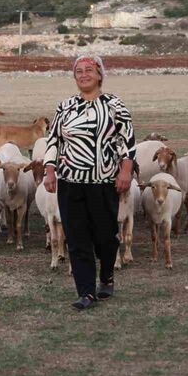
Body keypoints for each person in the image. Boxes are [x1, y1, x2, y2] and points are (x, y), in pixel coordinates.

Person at [43, 55, 135, 310]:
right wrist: (50, 171)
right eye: (78, 71)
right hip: (71, 181)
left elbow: (126, 141)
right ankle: (86, 291)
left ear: (99, 75)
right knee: (76, 236)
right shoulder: (65, 107)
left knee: (106, 237)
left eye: (89, 71)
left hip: (103, 181)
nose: (83, 75)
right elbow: (54, 141)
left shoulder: (115, 105)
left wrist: (125, 171)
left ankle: (106, 276)